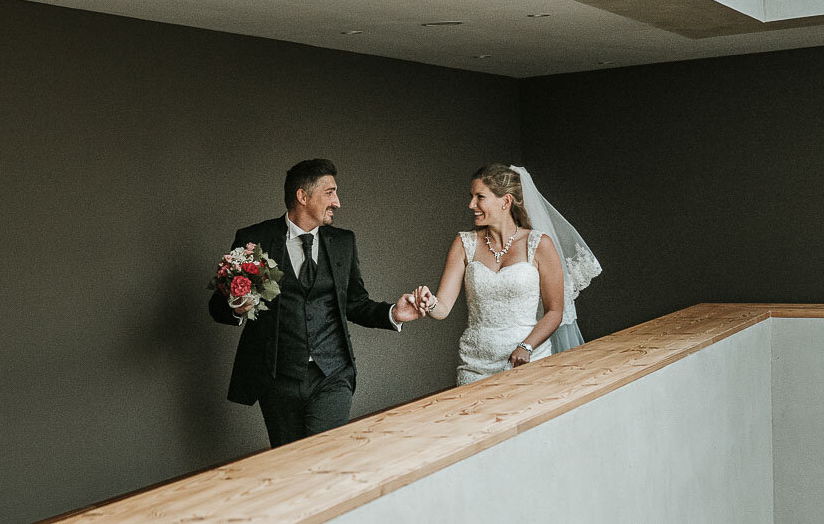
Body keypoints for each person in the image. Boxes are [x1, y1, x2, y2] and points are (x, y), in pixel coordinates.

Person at [209, 159, 427, 447]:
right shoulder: (255, 239)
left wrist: (393, 313)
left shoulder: (343, 242)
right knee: (290, 463)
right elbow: (216, 306)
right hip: (277, 379)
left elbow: (355, 303)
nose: (337, 201)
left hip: (332, 374)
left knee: (325, 454)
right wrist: (236, 308)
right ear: (302, 196)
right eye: (329, 192)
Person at [414, 164, 601, 385]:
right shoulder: (464, 243)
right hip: (475, 365)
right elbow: (443, 308)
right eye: (472, 197)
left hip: (526, 362)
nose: (471, 204)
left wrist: (526, 346)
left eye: (480, 197)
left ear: (506, 201)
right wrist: (429, 303)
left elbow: (555, 312)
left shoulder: (539, 244)